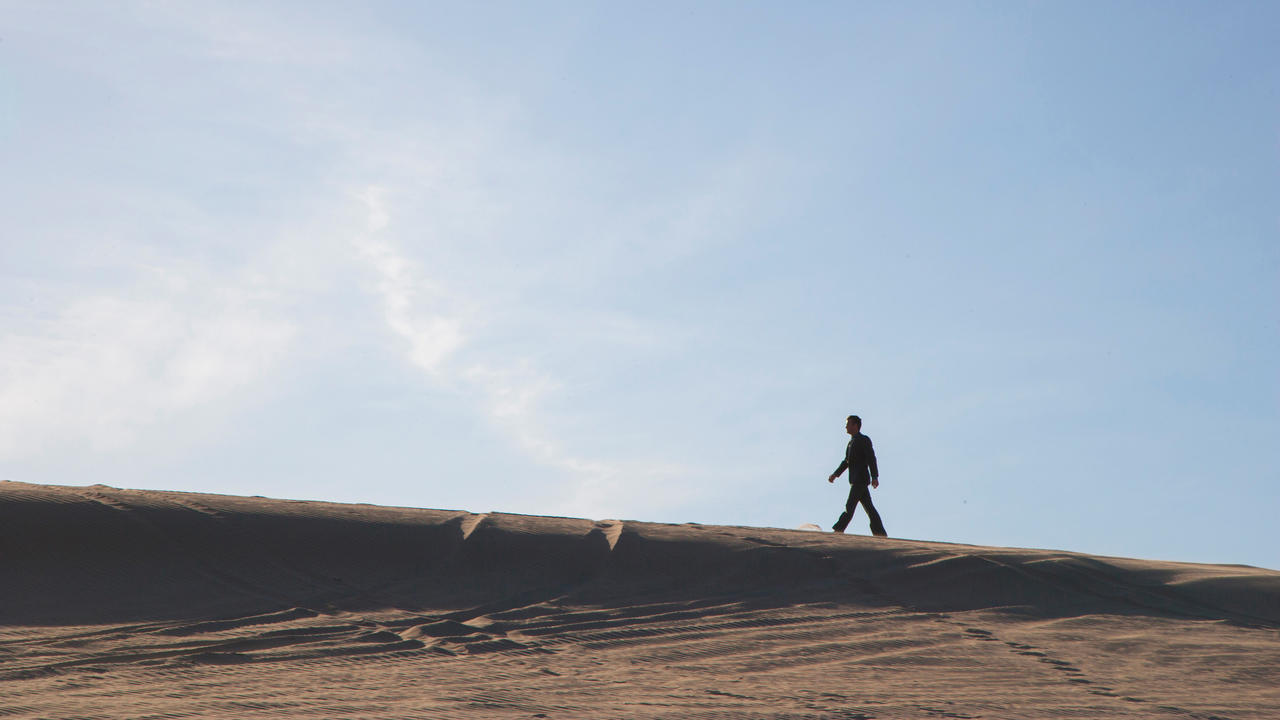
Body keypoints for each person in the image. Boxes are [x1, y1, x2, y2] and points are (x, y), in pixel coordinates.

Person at [827, 415, 887, 536]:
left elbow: (871, 458)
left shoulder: (863, 439)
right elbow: (847, 461)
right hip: (855, 480)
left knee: (850, 506)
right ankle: (880, 532)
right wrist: (835, 474)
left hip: (860, 480)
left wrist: (875, 476)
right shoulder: (851, 442)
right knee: (869, 508)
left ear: (855, 425)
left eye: (848, 424)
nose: (846, 427)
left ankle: (839, 529)